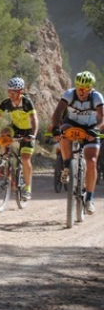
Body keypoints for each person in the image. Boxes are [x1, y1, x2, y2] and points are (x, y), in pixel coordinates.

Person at [50, 71, 104, 215]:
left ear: (91, 88)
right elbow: (58, 112)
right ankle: (67, 166)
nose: (81, 91)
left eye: (85, 88)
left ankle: (89, 199)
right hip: (72, 124)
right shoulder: (69, 94)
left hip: (90, 128)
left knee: (92, 161)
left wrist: (96, 129)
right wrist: (55, 128)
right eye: (79, 87)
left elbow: (102, 118)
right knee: (63, 132)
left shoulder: (97, 97)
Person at [0, 77, 38, 200]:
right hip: (15, 128)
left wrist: (33, 135)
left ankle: (27, 188)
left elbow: (34, 119)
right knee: (4, 132)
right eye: (9, 91)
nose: (10, 94)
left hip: (28, 131)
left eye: (13, 92)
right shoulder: (6, 103)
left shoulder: (26, 102)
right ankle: (5, 161)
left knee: (25, 159)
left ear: (20, 92)